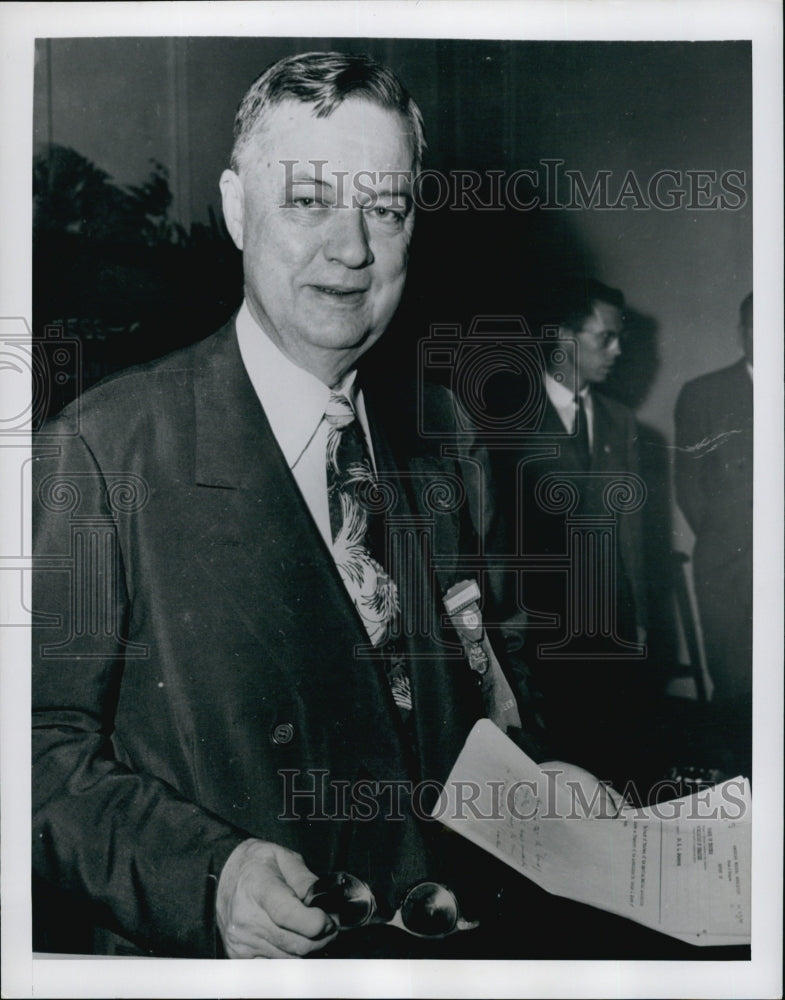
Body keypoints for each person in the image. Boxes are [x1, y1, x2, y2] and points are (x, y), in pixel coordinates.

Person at [30, 50, 564, 962]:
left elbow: (474, 687)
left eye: (385, 209)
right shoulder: (102, 449)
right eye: (309, 199)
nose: (351, 248)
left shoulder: (436, 450)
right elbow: (30, 751)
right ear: (238, 209)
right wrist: (208, 876)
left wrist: (531, 785)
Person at [490, 278, 649, 779]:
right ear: (563, 337)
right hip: (541, 640)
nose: (618, 349)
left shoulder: (622, 421)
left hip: (613, 633)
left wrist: (639, 618)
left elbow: (633, 535)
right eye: (606, 337)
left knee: (617, 768)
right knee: (556, 776)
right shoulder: (504, 420)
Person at [674, 292, 753, 774]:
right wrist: (729, 537)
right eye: (753, 326)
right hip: (726, 565)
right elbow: (689, 485)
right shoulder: (705, 394)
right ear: (741, 330)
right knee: (734, 679)